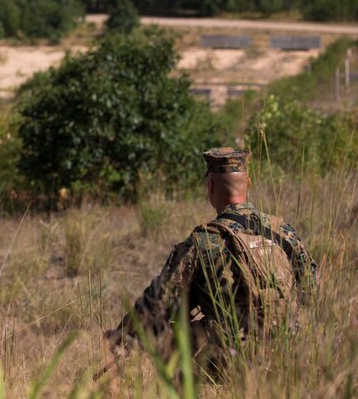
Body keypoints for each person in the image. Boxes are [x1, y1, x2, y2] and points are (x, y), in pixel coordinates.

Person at [104, 147, 318, 375]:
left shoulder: (203, 242)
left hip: (231, 361)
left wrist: (121, 338)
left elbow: (158, 302)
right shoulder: (283, 231)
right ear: (249, 183)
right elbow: (310, 288)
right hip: (288, 354)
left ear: (211, 187)